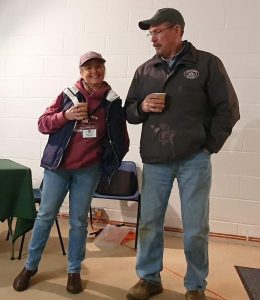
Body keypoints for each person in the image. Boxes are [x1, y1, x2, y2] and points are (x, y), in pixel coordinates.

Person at [124, 8, 240, 300]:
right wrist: (142, 108)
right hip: (155, 160)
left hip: (194, 160)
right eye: (150, 33)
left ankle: (195, 286)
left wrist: (208, 145)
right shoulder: (145, 70)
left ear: (178, 30)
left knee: (196, 227)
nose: (153, 39)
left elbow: (228, 109)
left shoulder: (207, 64)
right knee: (149, 223)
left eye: (158, 31)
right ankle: (149, 279)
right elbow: (128, 111)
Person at [13, 51, 129, 294]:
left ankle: (74, 270)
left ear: (104, 70)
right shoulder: (67, 95)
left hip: (88, 171)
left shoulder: (113, 100)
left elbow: (121, 139)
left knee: (78, 222)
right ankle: (30, 266)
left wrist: (105, 164)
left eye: (98, 66)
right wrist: (65, 116)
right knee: (45, 217)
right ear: (81, 72)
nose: (94, 71)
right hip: (58, 169)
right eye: (88, 67)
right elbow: (42, 123)